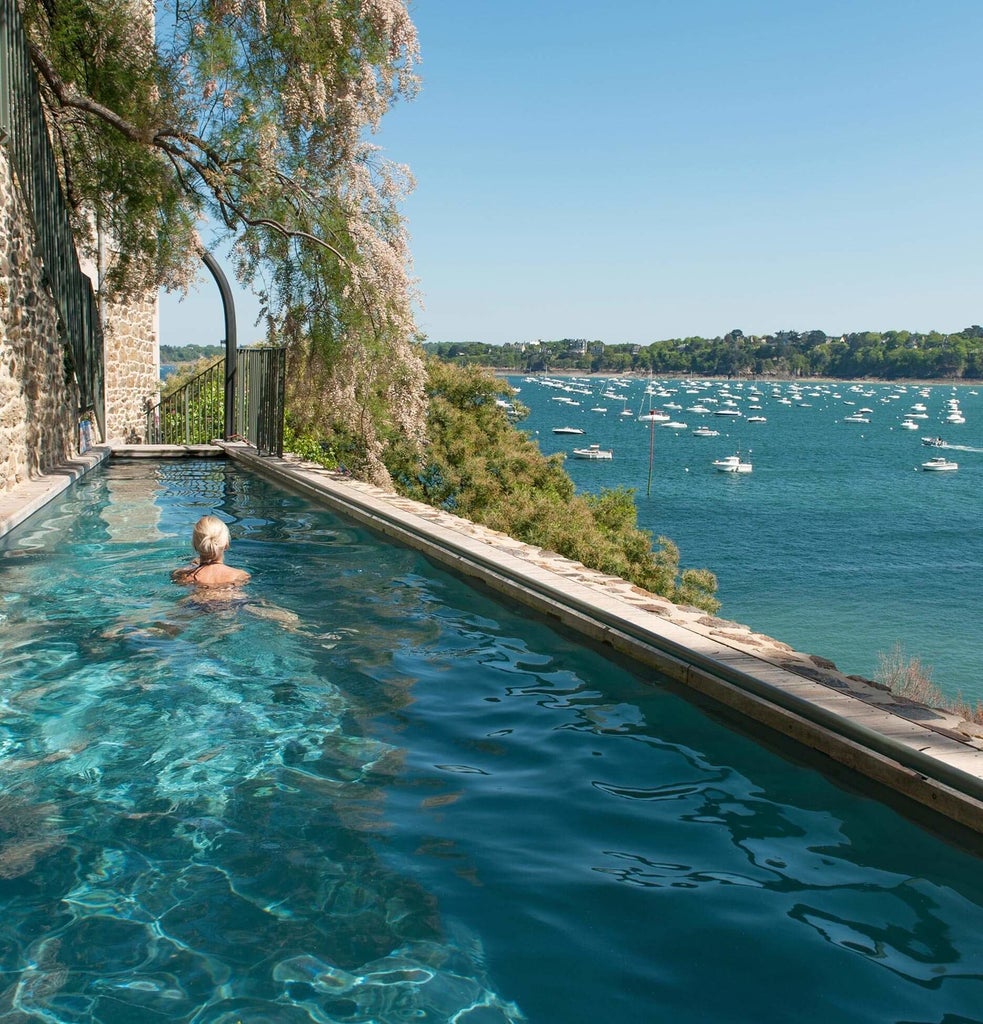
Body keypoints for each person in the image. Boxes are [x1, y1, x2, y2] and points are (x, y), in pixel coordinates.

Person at [171, 515, 250, 588]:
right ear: (226, 545)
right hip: (235, 602)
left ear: (195, 545)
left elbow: (175, 574)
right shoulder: (240, 575)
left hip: (196, 602)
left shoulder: (184, 576)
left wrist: (191, 566)